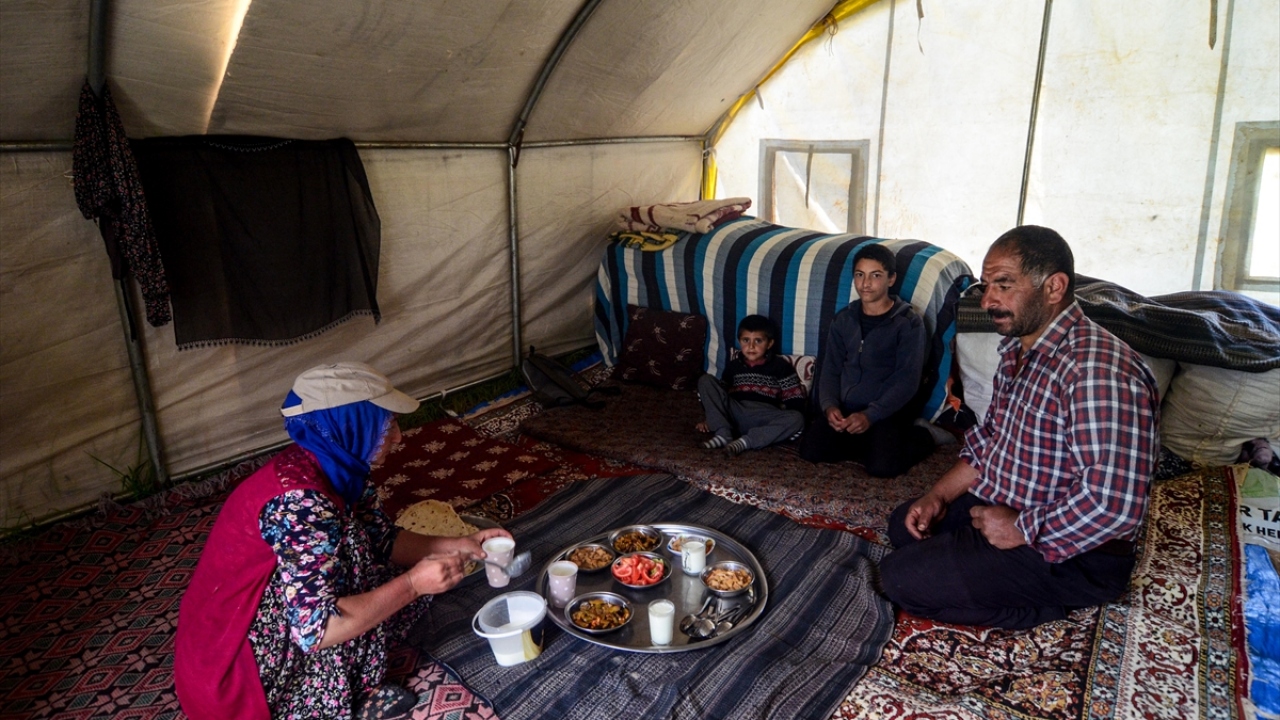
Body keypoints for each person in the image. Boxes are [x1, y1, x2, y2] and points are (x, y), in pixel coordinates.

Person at [174, 362, 512, 720]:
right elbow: (318, 629)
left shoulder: (336, 466)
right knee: (371, 585)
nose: (399, 438)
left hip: (253, 630)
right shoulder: (301, 503)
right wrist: (414, 584)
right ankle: (317, 700)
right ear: (351, 426)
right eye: (387, 426)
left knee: (366, 562)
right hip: (232, 674)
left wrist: (460, 543)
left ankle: (353, 671)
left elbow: (383, 540)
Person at [878, 226, 1160, 629]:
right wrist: (937, 495)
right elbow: (991, 440)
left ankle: (1047, 608)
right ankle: (974, 557)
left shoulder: (1097, 372)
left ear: (1054, 287)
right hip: (1007, 505)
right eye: (987, 285)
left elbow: (1113, 505)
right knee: (905, 526)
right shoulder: (1019, 348)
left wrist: (1020, 529)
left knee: (899, 580)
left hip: (1076, 552)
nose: (987, 300)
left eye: (1004, 285)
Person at [798, 243, 935, 476]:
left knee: (882, 468)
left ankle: (924, 434)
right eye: (860, 275)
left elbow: (907, 380)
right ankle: (868, 443)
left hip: (887, 409)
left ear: (891, 279)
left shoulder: (908, 323)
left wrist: (871, 415)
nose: (866, 283)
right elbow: (829, 369)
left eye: (876, 275)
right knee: (810, 450)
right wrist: (830, 406)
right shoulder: (844, 319)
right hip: (848, 406)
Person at [696, 314, 807, 457]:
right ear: (739, 341)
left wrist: (793, 426)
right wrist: (710, 418)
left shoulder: (780, 366)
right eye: (746, 340)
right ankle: (723, 433)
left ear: (769, 344)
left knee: (797, 418)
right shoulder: (733, 366)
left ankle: (745, 442)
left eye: (758, 341)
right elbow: (718, 396)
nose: (751, 346)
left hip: (763, 416)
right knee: (705, 380)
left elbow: (794, 399)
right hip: (735, 412)